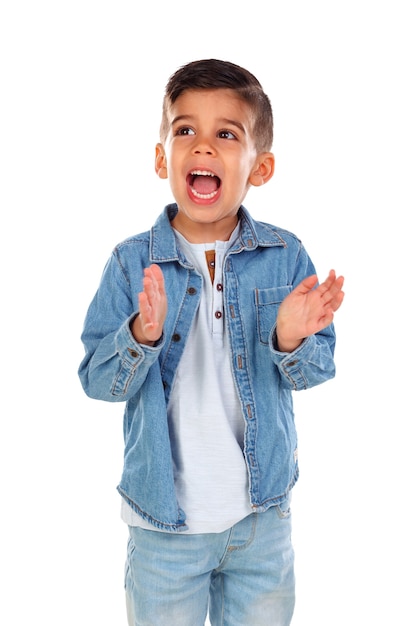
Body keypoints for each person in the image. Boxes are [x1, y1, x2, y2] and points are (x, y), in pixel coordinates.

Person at [78, 59, 344, 626]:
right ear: (160, 158)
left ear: (261, 167)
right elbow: (96, 382)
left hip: (260, 523)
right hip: (163, 529)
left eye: (226, 134)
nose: (203, 146)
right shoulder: (131, 263)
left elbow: (318, 369)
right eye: (184, 130)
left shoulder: (286, 255)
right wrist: (139, 337)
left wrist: (289, 337)